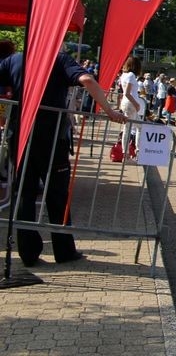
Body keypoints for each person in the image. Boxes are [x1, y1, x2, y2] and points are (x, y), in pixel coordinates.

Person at [0, 49, 126, 265]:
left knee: (24, 193)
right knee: (57, 195)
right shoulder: (57, 57)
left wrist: (5, 114)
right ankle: (64, 250)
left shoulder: (14, 59)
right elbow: (87, 79)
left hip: (20, 135)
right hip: (52, 136)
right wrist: (109, 111)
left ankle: (28, 253)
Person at [118, 56, 145, 158]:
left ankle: (134, 150)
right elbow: (128, 93)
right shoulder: (131, 76)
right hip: (130, 103)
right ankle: (128, 152)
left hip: (126, 103)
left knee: (137, 127)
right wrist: (136, 104)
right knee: (129, 128)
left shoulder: (124, 75)